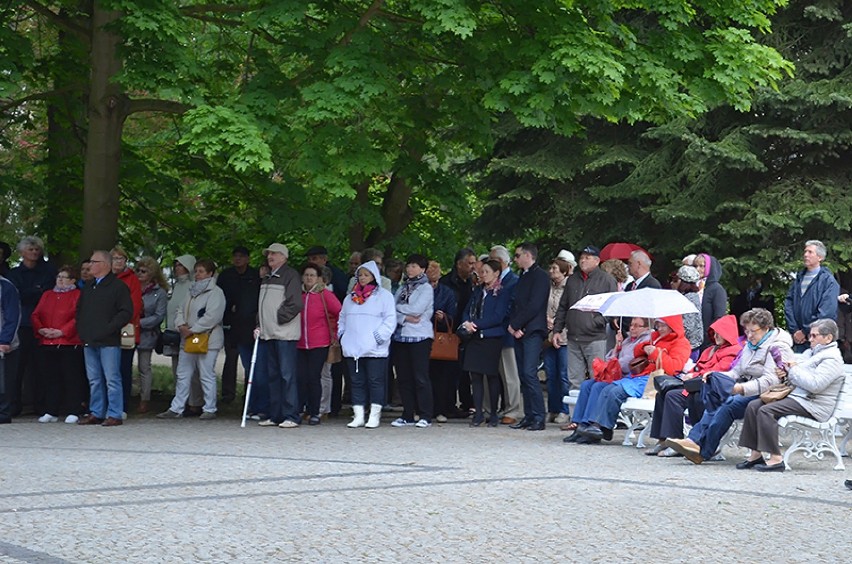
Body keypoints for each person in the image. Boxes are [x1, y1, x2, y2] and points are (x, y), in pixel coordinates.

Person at [666, 308, 794, 464]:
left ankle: (702, 448)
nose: (749, 335)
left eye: (753, 331)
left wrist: (740, 389)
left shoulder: (777, 347)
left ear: (766, 328)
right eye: (747, 331)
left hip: (769, 393)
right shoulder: (751, 345)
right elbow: (736, 372)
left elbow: (770, 381)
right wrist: (714, 376)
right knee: (717, 396)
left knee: (728, 404)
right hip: (747, 387)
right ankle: (696, 443)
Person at [737, 319, 844, 472]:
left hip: (814, 405)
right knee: (754, 405)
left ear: (828, 338)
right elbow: (800, 378)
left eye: (815, 336)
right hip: (800, 398)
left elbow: (815, 385)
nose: (810, 339)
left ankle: (776, 458)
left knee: (766, 410)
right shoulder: (812, 353)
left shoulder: (832, 359)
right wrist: (787, 372)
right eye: (810, 335)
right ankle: (755, 454)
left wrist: (793, 370)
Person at [575, 315, 690, 443]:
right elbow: (636, 352)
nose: (660, 328)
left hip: (654, 380)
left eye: (664, 326)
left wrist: (655, 353)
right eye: (659, 325)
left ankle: (601, 426)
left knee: (615, 391)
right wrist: (643, 348)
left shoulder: (681, 343)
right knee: (609, 388)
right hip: (639, 376)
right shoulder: (655, 336)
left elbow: (674, 367)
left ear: (673, 327)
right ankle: (599, 427)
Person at [646, 314, 742, 456]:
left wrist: (693, 375)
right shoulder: (710, 350)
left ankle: (675, 440)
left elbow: (718, 372)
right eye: (714, 333)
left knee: (672, 396)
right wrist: (690, 373)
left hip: (709, 388)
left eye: (719, 333)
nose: (715, 336)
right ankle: (663, 439)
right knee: (663, 393)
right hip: (695, 385)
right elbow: (697, 367)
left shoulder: (732, 351)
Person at [157, 259, 226, 420]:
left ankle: (209, 407)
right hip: (188, 337)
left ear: (210, 274)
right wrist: (181, 325)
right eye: (196, 271)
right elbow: (180, 310)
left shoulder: (216, 292)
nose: (198, 275)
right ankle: (177, 407)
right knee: (183, 373)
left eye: (202, 271)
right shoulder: (191, 291)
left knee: (205, 373)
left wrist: (192, 330)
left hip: (207, 338)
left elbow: (212, 316)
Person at [564, 317, 652, 442]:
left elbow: (627, 362)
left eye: (637, 325)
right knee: (587, 385)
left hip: (628, 377)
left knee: (598, 386)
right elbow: (609, 357)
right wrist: (617, 346)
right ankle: (580, 424)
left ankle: (592, 425)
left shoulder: (647, 341)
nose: (632, 328)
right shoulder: (627, 340)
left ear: (646, 328)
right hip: (617, 374)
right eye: (632, 325)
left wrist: (610, 365)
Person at [552, 245, 618, 401]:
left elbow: (612, 308)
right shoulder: (572, 280)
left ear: (597, 261)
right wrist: (557, 330)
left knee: (597, 378)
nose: (583, 260)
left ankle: (592, 418)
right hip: (573, 337)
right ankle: (575, 419)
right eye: (581, 257)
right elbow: (563, 306)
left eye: (587, 258)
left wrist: (596, 322)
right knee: (574, 380)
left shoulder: (607, 280)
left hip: (595, 338)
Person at [76, 251, 134, 426]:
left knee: (112, 378)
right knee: (94, 378)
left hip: (108, 340)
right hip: (89, 339)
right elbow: (79, 310)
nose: (90, 266)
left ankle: (115, 413)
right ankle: (97, 412)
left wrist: (109, 328)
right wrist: (82, 329)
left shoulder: (118, 287)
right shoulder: (88, 286)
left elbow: (126, 312)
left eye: (94, 262)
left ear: (104, 264)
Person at [338, 260, 396, 429]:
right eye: (360, 275)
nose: (362, 278)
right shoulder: (350, 298)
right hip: (353, 346)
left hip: (374, 348)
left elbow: (390, 320)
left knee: (375, 381)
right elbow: (342, 319)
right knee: (356, 382)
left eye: (366, 275)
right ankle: (358, 415)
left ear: (374, 276)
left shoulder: (384, 296)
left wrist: (378, 338)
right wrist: (343, 336)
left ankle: (374, 415)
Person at [255, 243, 303, 429]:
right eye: (268, 254)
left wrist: (277, 319)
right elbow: (262, 305)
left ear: (283, 256)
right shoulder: (267, 277)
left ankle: (291, 414)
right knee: (273, 375)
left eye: (274, 254)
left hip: (284, 333)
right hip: (269, 333)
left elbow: (295, 303)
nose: (270, 257)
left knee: (286, 375)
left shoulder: (290, 275)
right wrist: (260, 323)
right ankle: (275, 415)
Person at [7, 235, 56, 416]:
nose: (34, 253)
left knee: (41, 367)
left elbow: (49, 295)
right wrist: (37, 290)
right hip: (21, 324)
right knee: (17, 368)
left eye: (37, 250)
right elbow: (17, 295)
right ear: (22, 253)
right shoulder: (14, 274)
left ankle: (41, 406)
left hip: (43, 325)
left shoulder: (48, 272)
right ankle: (13, 406)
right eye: (30, 249)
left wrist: (34, 292)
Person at [31, 265, 86, 423]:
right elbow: (36, 314)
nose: (61, 280)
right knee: (50, 377)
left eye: (65, 277)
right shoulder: (48, 294)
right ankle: (51, 410)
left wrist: (62, 332)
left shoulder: (77, 295)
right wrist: (41, 329)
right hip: (47, 341)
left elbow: (78, 316)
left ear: (73, 280)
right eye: (59, 277)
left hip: (69, 343)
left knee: (71, 377)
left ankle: (73, 410)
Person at [461, 259, 511, 427]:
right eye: (482, 272)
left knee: (491, 375)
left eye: (487, 272)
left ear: (496, 273)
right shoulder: (477, 291)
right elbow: (467, 310)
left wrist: (476, 324)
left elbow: (498, 316)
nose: (483, 275)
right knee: (475, 376)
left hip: (491, 337)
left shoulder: (501, 292)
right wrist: (466, 323)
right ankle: (479, 413)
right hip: (474, 337)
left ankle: (494, 413)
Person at [507, 242, 550, 431]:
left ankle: (539, 416)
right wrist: (513, 326)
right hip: (519, 330)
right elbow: (516, 304)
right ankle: (529, 415)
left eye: (517, 255)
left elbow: (535, 305)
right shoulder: (523, 277)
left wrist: (518, 325)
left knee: (529, 372)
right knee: (522, 375)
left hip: (532, 329)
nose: (515, 259)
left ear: (527, 255)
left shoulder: (540, 276)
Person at [391, 254, 435, 428]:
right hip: (401, 336)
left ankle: (425, 414)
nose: (410, 269)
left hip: (420, 337)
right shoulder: (402, 288)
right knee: (403, 377)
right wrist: (404, 317)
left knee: (420, 376)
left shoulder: (426, 288)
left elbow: (417, 310)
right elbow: (391, 309)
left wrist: (401, 312)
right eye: (409, 266)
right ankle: (407, 414)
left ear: (423, 269)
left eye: (414, 266)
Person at [296, 263, 341, 425]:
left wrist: (334, 333)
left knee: (313, 377)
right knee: (301, 378)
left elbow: (339, 312)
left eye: (312, 275)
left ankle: (315, 412)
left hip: (319, 342)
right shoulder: (297, 294)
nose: (309, 278)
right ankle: (300, 409)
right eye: (306, 275)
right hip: (300, 342)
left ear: (318, 278)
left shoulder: (324, 294)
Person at [217, 246, 261, 404]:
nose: (238, 259)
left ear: (248, 258)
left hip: (249, 324)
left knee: (250, 360)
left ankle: (249, 394)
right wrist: (229, 308)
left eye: (241, 256)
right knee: (230, 358)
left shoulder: (255, 276)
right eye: (235, 256)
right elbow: (219, 298)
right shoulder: (226, 276)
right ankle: (228, 393)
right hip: (230, 323)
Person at [164, 255, 205, 416]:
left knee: (192, 369)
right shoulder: (176, 286)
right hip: (175, 331)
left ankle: (195, 402)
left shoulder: (192, 286)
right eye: (176, 265)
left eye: (181, 265)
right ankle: (181, 400)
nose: (177, 268)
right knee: (178, 369)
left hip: (189, 331)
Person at [440, 247, 478, 417]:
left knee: (465, 370)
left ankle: (466, 403)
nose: (473, 267)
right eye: (469, 263)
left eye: (474, 263)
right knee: (449, 371)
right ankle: (447, 405)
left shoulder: (472, 282)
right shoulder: (446, 282)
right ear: (459, 264)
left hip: (468, 330)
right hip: (451, 331)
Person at [784, 240, 840, 353]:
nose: (805, 255)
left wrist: (805, 331)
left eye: (810, 252)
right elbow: (788, 303)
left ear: (820, 257)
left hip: (817, 339)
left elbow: (826, 312)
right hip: (797, 339)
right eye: (805, 252)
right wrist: (794, 330)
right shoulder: (798, 279)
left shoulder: (828, 281)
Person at [489, 245, 523, 425]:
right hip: (490, 333)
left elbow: (511, 307)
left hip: (506, 331)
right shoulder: (490, 281)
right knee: (492, 372)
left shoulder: (513, 281)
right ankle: (491, 408)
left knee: (509, 374)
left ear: (501, 262)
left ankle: (513, 410)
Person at [110, 246, 142, 414]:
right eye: (115, 258)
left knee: (123, 368)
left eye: (121, 259)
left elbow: (135, 306)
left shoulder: (132, 279)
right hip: (106, 330)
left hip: (125, 330)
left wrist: (116, 322)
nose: (118, 262)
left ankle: (122, 406)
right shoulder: (104, 278)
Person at [134, 257, 167, 414]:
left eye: (144, 271)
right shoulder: (131, 288)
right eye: (138, 270)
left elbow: (159, 316)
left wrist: (140, 323)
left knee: (144, 367)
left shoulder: (159, 293)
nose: (139, 273)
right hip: (127, 332)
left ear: (152, 274)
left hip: (147, 333)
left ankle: (144, 399)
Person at [427, 260, 457, 423]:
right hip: (423, 335)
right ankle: (425, 409)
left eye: (435, 281)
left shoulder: (447, 292)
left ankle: (440, 409)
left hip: (441, 338)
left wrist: (443, 317)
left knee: (441, 377)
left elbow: (453, 316)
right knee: (424, 375)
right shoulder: (420, 290)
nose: (432, 284)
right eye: (429, 281)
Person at [545, 255, 573, 424]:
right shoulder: (548, 287)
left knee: (563, 374)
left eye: (555, 268)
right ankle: (553, 408)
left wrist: (558, 322)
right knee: (550, 373)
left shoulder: (569, 287)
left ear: (563, 271)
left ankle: (565, 409)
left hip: (564, 335)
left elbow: (569, 310)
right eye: (551, 268)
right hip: (548, 334)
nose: (551, 271)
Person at [694, 253, 728, 349]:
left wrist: (710, 334)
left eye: (702, 266)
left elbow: (719, 315)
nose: (698, 269)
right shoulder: (694, 286)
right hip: (694, 337)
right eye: (696, 266)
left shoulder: (717, 289)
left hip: (708, 339)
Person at [0, 271, 21, 424]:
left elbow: (13, 315)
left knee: (4, 381)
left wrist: (5, 340)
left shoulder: (6, 287)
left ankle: (3, 412)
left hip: (4, 342)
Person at [674, 265, 704, 356]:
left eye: (676, 280)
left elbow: (688, 326)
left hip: (690, 347)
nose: (673, 283)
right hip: (690, 345)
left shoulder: (689, 299)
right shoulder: (692, 296)